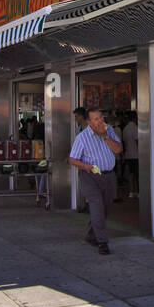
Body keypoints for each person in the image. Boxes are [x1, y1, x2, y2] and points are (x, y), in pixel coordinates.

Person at [66, 107, 122, 255]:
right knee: (97, 207)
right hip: (90, 177)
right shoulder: (82, 138)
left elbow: (117, 150)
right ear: (89, 122)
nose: (100, 121)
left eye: (101, 118)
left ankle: (91, 235)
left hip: (108, 175)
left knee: (105, 208)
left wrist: (105, 136)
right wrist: (85, 166)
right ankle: (102, 242)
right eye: (96, 119)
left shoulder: (109, 131)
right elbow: (72, 159)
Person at [121, 112, 139, 200]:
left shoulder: (125, 129)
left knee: (131, 173)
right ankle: (138, 191)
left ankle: (131, 191)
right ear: (134, 118)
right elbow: (137, 141)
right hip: (136, 154)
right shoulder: (135, 128)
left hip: (128, 154)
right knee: (137, 174)